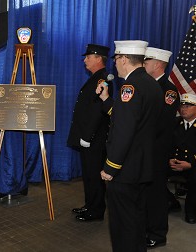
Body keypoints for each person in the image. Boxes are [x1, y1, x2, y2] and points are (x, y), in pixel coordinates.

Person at [97, 40, 163, 252]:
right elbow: (131, 119)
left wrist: (111, 167)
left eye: (116, 59)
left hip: (125, 169)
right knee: (135, 220)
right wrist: (107, 100)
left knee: (123, 225)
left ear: (124, 59)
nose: (114, 64)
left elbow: (124, 130)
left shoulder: (130, 86)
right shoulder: (151, 83)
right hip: (142, 166)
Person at [67, 43, 113, 221]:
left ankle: (96, 210)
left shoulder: (103, 80)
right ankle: (90, 205)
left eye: (88, 57)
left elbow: (97, 111)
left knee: (94, 175)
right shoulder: (95, 78)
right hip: (89, 137)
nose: (85, 60)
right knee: (88, 174)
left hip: (94, 138)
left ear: (98, 59)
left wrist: (87, 137)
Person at [143, 47, 180, 248]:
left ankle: (157, 234)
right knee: (145, 193)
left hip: (157, 150)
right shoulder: (147, 86)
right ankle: (145, 227)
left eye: (146, 61)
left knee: (156, 193)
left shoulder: (169, 91)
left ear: (157, 64)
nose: (143, 64)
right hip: (145, 149)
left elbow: (161, 123)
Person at [169, 93, 196, 224]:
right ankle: (171, 201)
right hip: (174, 163)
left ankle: (190, 211)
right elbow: (166, 144)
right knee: (152, 172)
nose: (183, 109)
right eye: (182, 106)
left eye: (188, 106)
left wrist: (191, 163)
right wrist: (168, 158)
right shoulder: (175, 122)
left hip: (194, 165)